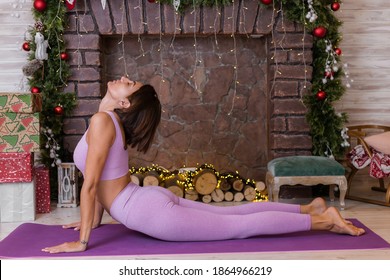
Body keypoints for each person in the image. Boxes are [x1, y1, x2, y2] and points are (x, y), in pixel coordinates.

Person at [42, 76, 365, 254]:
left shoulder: (103, 121)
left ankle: (323, 221)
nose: (125, 78)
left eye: (130, 84)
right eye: (130, 81)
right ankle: (311, 208)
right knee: (233, 214)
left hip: (146, 211)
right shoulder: (108, 118)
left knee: (239, 226)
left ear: (125, 103)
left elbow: (91, 184)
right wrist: (95, 222)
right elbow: (97, 178)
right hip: (145, 201)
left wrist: (82, 241)